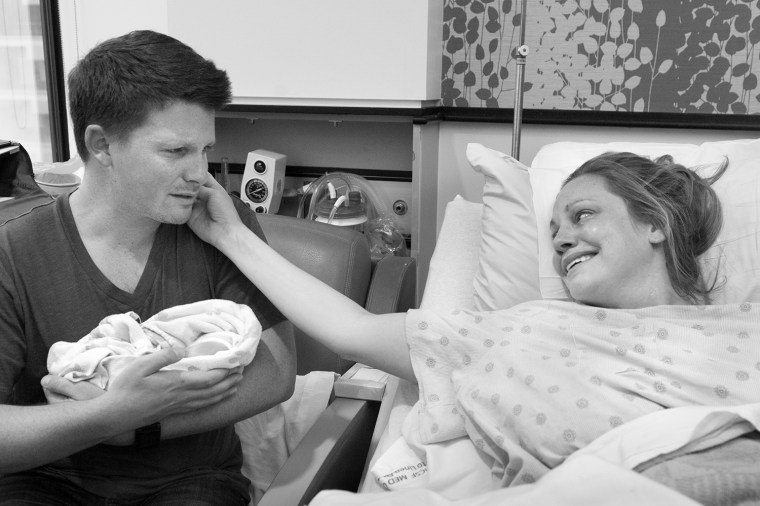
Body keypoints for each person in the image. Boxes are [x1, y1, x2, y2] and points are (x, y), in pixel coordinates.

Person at [188, 150, 760, 487]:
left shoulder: (747, 328)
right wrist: (231, 235)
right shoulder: (522, 327)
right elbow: (352, 331)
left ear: (655, 222)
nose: (563, 242)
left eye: (583, 215)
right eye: (555, 233)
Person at [0, 30, 295, 505]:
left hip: (189, 481)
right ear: (101, 145)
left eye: (205, 149)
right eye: (176, 151)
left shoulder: (221, 224)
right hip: (45, 480)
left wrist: (145, 427)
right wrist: (108, 417)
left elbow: (276, 372)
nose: (200, 173)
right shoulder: (13, 253)